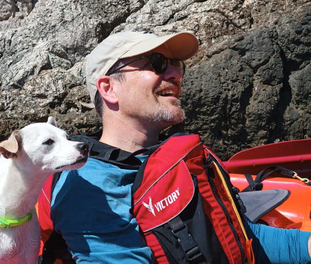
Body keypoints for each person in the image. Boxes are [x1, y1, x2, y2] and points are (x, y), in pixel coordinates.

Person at [39, 31, 311, 263]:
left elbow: (242, 238)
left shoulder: (180, 162)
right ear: (109, 88)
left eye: (175, 63)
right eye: (156, 63)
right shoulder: (89, 188)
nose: (176, 73)